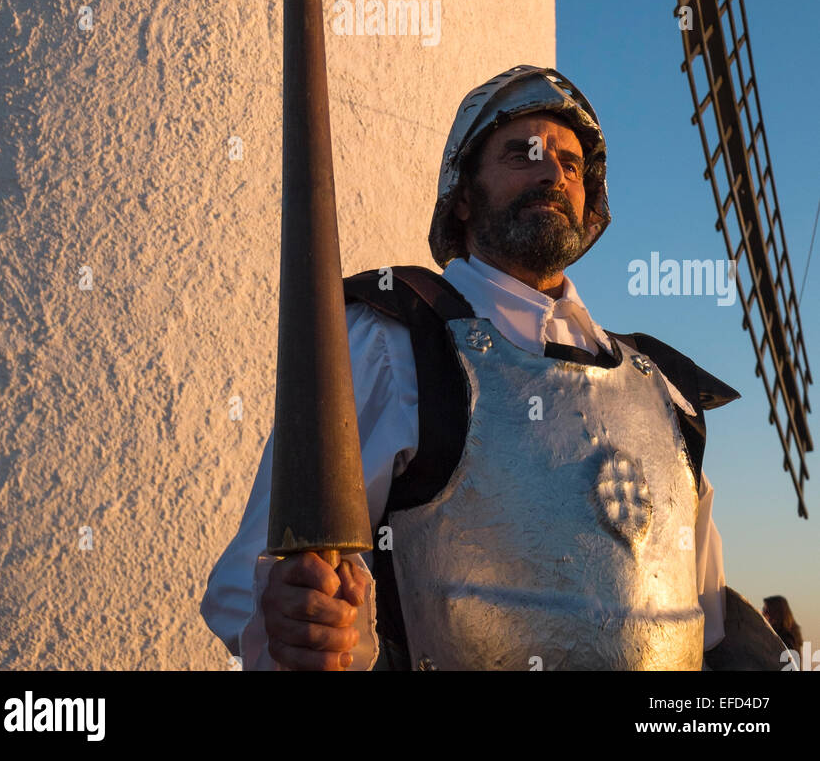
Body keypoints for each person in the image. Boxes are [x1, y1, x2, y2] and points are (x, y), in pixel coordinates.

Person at [201, 65, 742, 671]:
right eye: (523, 154)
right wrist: (301, 623)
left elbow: (706, 627)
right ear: (461, 195)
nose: (552, 173)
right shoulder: (390, 340)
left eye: (569, 164)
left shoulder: (664, 392)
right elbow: (251, 587)